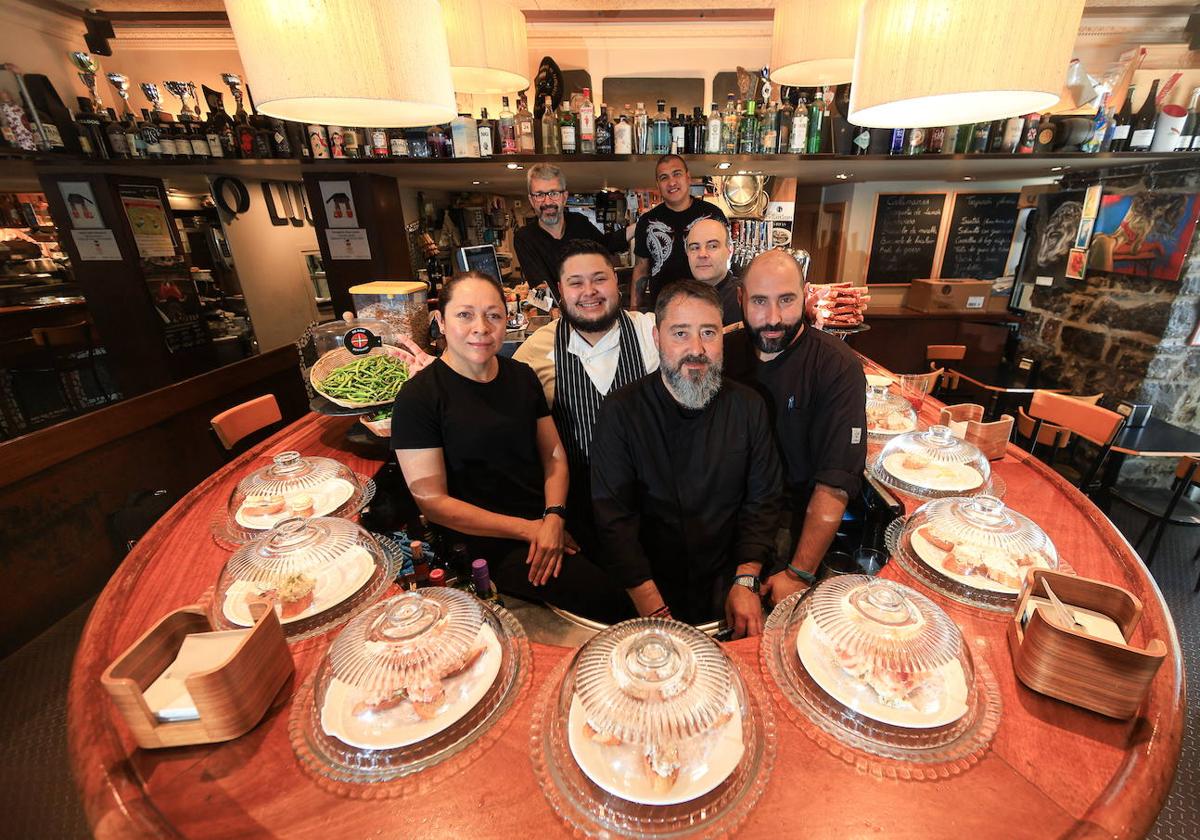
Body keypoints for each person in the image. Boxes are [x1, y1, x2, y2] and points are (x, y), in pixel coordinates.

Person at [391, 270, 632, 622]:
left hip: (553, 515)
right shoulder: (419, 398)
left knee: (630, 562)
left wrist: (553, 516)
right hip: (490, 541)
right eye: (464, 314)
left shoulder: (520, 376)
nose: (481, 327)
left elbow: (554, 458)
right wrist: (531, 529)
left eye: (493, 315)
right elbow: (434, 502)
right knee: (608, 600)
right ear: (440, 322)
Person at [590, 279, 782, 637]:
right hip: (646, 586)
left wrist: (746, 577)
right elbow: (613, 518)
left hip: (728, 580)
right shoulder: (620, 412)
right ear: (656, 339)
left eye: (708, 332)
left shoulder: (748, 406)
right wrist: (651, 603)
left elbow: (764, 500)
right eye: (680, 333)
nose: (697, 349)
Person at [724, 250, 867, 607]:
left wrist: (798, 573)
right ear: (741, 298)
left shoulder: (836, 366)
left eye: (786, 300)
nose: (773, 318)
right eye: (759, 301)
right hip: (724, 513)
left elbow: (835, 483)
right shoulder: (723, 353)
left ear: (805, 295)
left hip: (790, 526)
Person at [513, 239, 658, 554]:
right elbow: (503, 418)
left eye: (599, 279)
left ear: (616, 283)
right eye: (576, 283)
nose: (589, 291)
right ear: (560, 291)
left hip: (650, 509)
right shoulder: (537, 348)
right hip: (578, 516)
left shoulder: (650, 331)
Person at [513, 163, 631, 299]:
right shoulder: (525, 237)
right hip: (557, 313)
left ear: (564, 197)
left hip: (589, 302)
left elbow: (607, 244)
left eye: (553, 193)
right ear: (531, 200)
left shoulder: (578, 222)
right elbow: (541, 285)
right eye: (539, 195)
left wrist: (640, 226)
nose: (547, 202)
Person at [631, 154, 727, 311]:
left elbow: (724, 260)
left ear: (688, 177)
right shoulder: (647, 221)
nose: (672, 182)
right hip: (663, 310)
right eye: (664, 177)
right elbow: (641, 269)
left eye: (677, 174)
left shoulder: (712, 215)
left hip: (707, 306)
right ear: (658, 184)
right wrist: (634, 310)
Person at [685, 216, 742, 328]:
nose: (702, 254)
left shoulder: (745, 300)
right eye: (695, 248)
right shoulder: (680, 301)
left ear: (730, 251)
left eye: (712, 246)